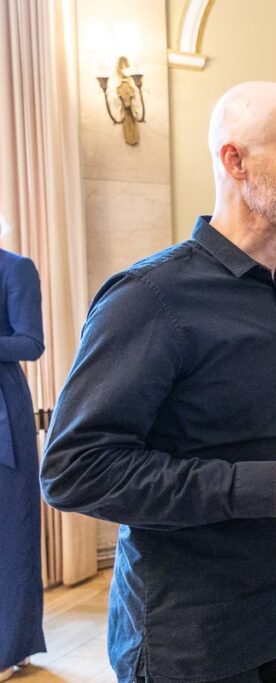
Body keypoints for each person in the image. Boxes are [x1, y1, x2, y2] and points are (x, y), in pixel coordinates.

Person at [40, 82, 276, 683]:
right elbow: (74, 469)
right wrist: (263, 489)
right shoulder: (149, 298)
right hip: (189, 638)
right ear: (235, 160)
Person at [0, 243, 46, 681]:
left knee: (9, 535)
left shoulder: (15, 268)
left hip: (3, 414)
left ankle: (11, 647)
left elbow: (31, 343)